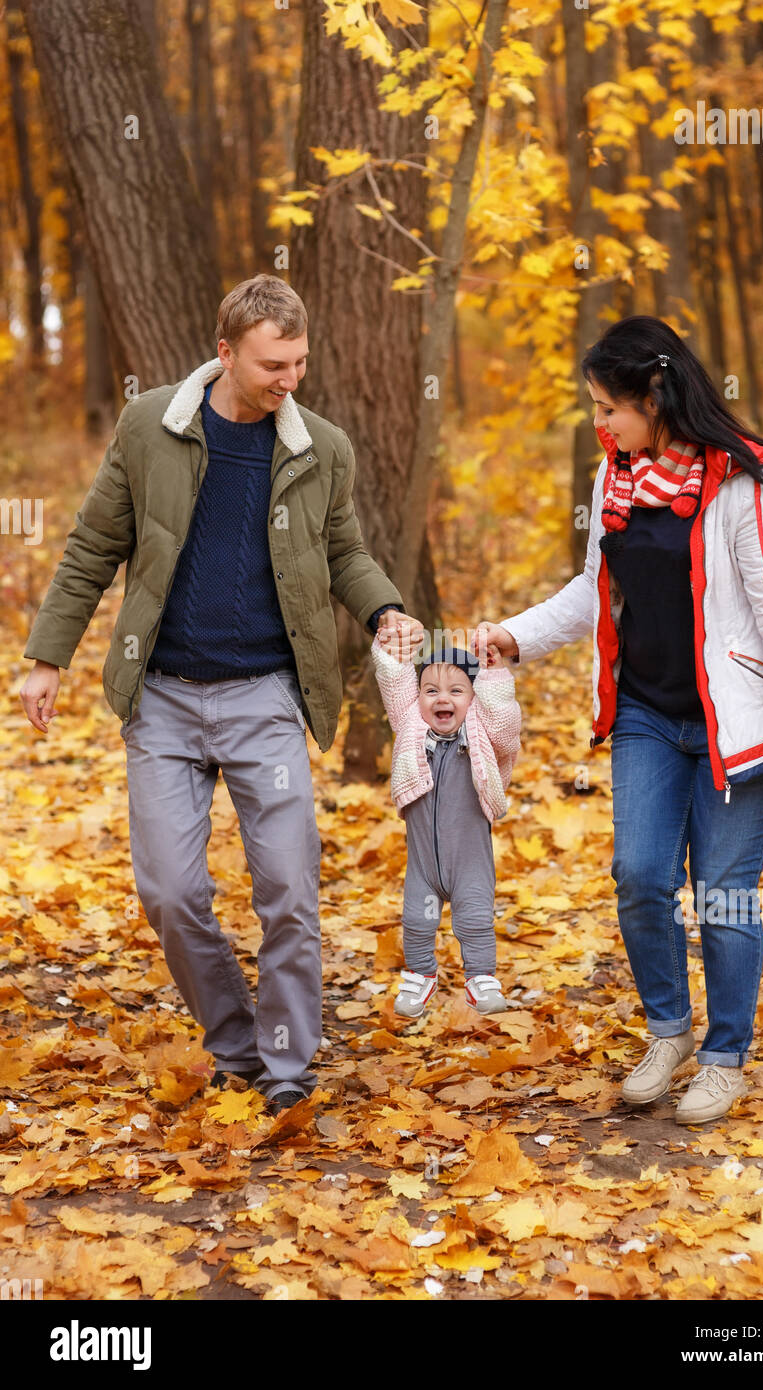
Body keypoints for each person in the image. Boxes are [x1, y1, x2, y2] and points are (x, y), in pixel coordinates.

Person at [19, 273, 424, 1115]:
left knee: (289, 888)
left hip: (266, 699)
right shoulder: (150, 426)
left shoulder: (322, 447)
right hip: (162, 698)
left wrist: (384, 607)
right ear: (224, 352)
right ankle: (235, 1041)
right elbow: (95, 544)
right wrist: (46, 657)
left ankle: (284, 1068)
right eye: (273, 363)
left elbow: (343, 550)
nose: (290, 380)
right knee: (169, 891)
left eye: (300, 362)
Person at [472, 314, 763, 1125]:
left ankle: (725, 1056)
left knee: (723, 893)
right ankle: (670, 1031)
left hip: (739, 726)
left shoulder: (749, 484)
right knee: (640, 877)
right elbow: (593, 590)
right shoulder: (618, 476)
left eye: (609, 406)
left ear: (655, 395)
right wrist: (513, 636)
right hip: (646, 709)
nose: (599, 423)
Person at [371, 629, 521, 1017]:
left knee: (474, 916)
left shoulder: (481, 735)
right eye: (431, 690)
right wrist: (391, 650)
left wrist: (492, 676)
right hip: (422, 863)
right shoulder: (409, 728)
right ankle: (421, 975)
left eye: (457, 691)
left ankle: (480, 977)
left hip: (469, 861)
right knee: (416, 920)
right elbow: (394, 685)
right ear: (417, 698)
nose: (442, 698)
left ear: (473, 701)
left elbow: (506, 727)